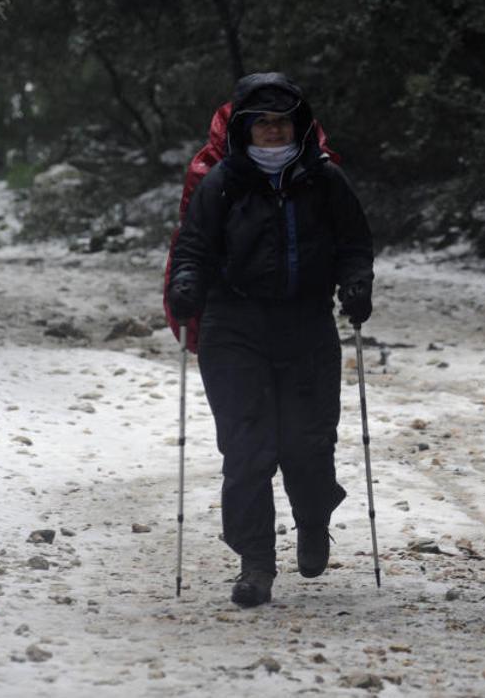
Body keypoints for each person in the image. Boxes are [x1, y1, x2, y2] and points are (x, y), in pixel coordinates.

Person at [167, 72, 374, 607]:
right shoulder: (223, 182)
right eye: (262, 123)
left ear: (298, 126)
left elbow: (355, 243)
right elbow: (193, 248)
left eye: (282, 121)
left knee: (307, 444)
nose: (273, 131)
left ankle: (312, 520)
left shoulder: (325, 180)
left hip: (306, 323)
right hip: (233, 326)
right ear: (243, 130)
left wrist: (356, 284)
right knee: (247, 449)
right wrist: (187, 286)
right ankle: (255, 563)